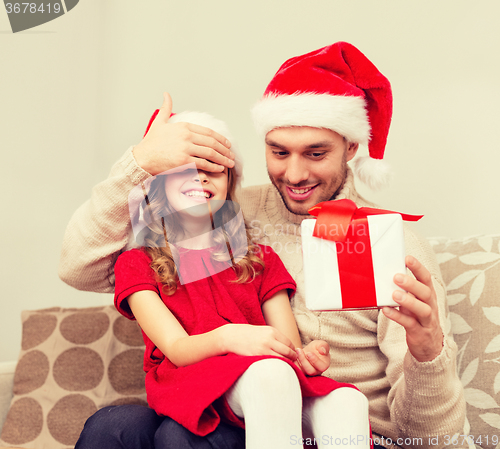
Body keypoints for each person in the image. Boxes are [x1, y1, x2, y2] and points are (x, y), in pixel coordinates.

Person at [62, 42, 465, 449]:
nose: (294, 173)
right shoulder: (228, 211)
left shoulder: (389, 243)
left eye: (316, 152)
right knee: (111, 427)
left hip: (330, 420)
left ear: (352, 147)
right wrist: (140, 161)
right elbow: (82, 267)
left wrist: (428, 353)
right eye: (279, 151)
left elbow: (437, 439)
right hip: (229, 397)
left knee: (185, 433)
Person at [113, 111, 371, 448]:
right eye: (184, 172)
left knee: (348, 401)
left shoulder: (260, 259)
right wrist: (230, 337)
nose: (200, 179)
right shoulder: (137, 263)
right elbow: (176, 350)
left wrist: (305, 356)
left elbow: (286, 346)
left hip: (268, 376)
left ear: (230, 183)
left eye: (212, 171)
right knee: (271, 374)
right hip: (194, 379)